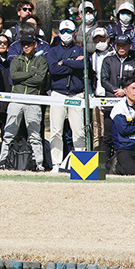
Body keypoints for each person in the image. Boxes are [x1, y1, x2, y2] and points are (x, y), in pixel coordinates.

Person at [0, 33, 48, 171]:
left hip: (33, 100)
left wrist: (22, 79)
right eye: (23, 44)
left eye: (29, 43)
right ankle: (3, 160)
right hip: (16, 99)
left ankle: (38, 163)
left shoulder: (41, 61)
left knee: (35, 135)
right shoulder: (16, 59)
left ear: (35, 45)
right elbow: (14, 76)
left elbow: (40, 79)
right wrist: (31, 74)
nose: (26, 46)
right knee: (9, 132)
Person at [46, 19, 86, 168]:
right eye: (63, 31)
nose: (66, 34)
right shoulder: (53, 51)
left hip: (76, 94)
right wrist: (73, 63)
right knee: (56, 130)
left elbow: (83, 64)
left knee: (79, 131)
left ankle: (80, 164)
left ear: (74, 33)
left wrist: (64, 62)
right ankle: (56, 163)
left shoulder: (80, 50)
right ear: (58, 33)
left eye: (69, 31)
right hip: (58, 94)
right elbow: (53, 69)